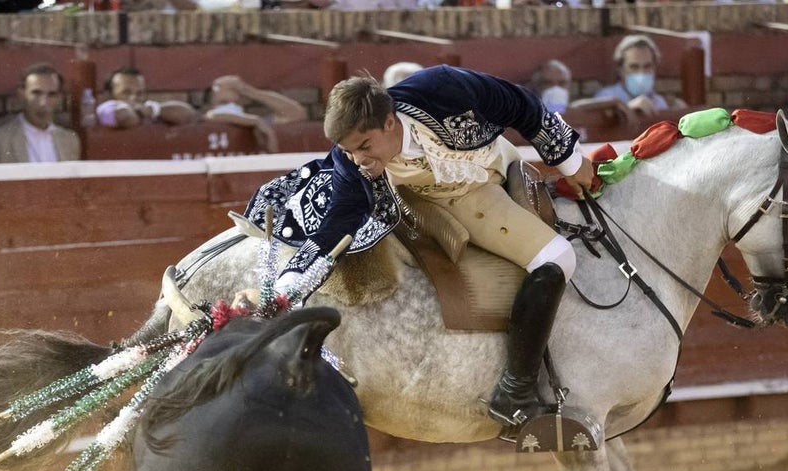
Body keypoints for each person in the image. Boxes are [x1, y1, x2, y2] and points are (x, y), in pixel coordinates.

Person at [238, 66, 594, 428]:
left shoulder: (444, 87)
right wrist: (282, 294)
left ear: (390, 122)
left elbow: (522, 105)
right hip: (458, 198)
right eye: (348, 151)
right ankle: (515, 391)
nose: (358, 159)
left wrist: (571, 162)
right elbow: (334, 229)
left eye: (365, 146)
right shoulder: (352, 166)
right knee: (558, 257)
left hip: (500, 160)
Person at [0, 63, 80, 164]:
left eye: (51, 94)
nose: (43, 102)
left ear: (59, 98)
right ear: (22, 94)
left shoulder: (69, 140)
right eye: (36, 93)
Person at [203, 74, 307, 153]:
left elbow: (297, 113)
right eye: (219, 87)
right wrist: (255, 122)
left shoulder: (261, 121)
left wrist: (249, 91)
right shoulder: (209, 115)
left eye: (235, 89)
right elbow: (213, 116)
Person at [593, 34, 685, 116]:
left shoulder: (659, 102)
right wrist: (627, 109)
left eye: (647, 66)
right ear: (621, 70)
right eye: (634, 67)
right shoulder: (606, 97)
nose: (642, 72)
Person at [96, 67, 198, 129]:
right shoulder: (105, 109)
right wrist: (141, 111)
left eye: (139, 93)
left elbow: (188, 114)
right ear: (110, 94)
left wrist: (154, 110)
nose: (133, 97)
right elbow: (126, 118)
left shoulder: (147, 109)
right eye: (126, 92)